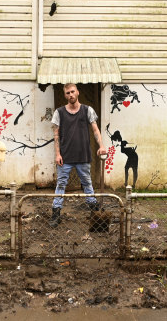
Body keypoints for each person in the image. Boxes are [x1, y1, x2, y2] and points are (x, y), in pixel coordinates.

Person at [49, 83, 107, 227]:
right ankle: (56, 214)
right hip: (65, 157)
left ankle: (95, 213)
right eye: (67, 93)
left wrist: (101, 146)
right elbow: (56, 135)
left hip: (83, 156)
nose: (71, 95)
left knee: (87, 184)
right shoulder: (59, 112)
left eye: (72, 92)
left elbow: (95, 130)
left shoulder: (87, 110)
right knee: (61, 184)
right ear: (65, 95)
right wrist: (57, 154)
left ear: (78, 92)